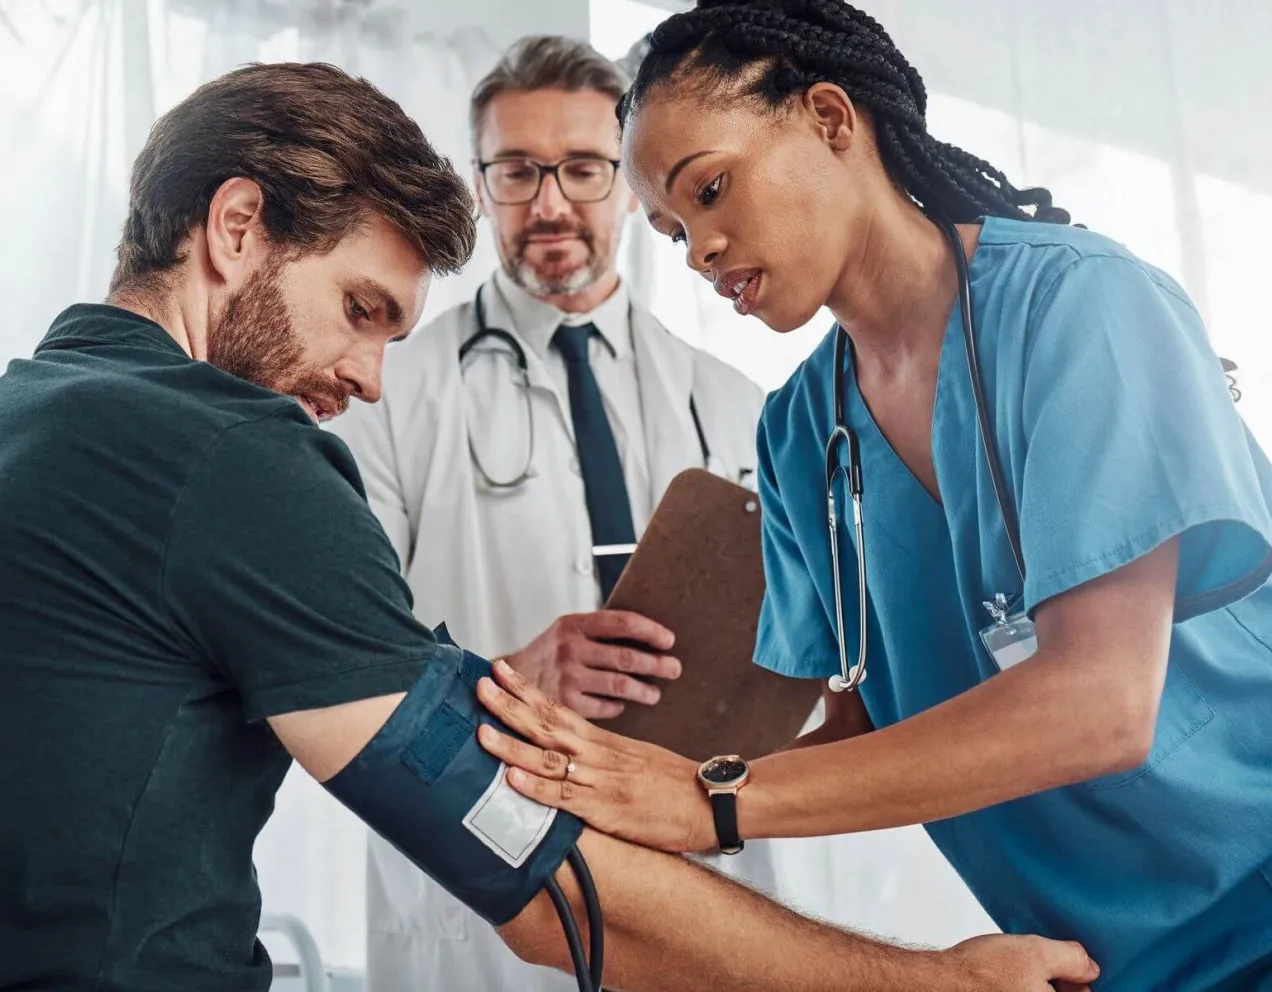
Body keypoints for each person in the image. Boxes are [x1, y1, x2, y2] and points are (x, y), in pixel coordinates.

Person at [0, 57, 1098, 992]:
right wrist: (935, 977)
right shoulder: (235, 455)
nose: (374, 380)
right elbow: (534, 879)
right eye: (361, 309)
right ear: (237, 227)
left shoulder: (28, 414)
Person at [474, 3, 1272, 991]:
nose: (700, 251)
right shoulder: (800, 431)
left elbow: (1101, 703)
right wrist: (613, 793)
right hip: (1098, 961)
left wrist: (709, 797)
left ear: (831, 118)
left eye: (712, 190)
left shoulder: (1084, 308)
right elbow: (857, 735)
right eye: (676, 231)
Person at [329, 35, 801, 992]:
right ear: (480, 183)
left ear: (631, 183)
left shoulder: (736, 399)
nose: (548, 204)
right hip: (479, 883)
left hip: (698, 867)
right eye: (515, 171)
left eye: (583, 169)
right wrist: (506, 676)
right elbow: (338, 651)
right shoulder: (384, 393)